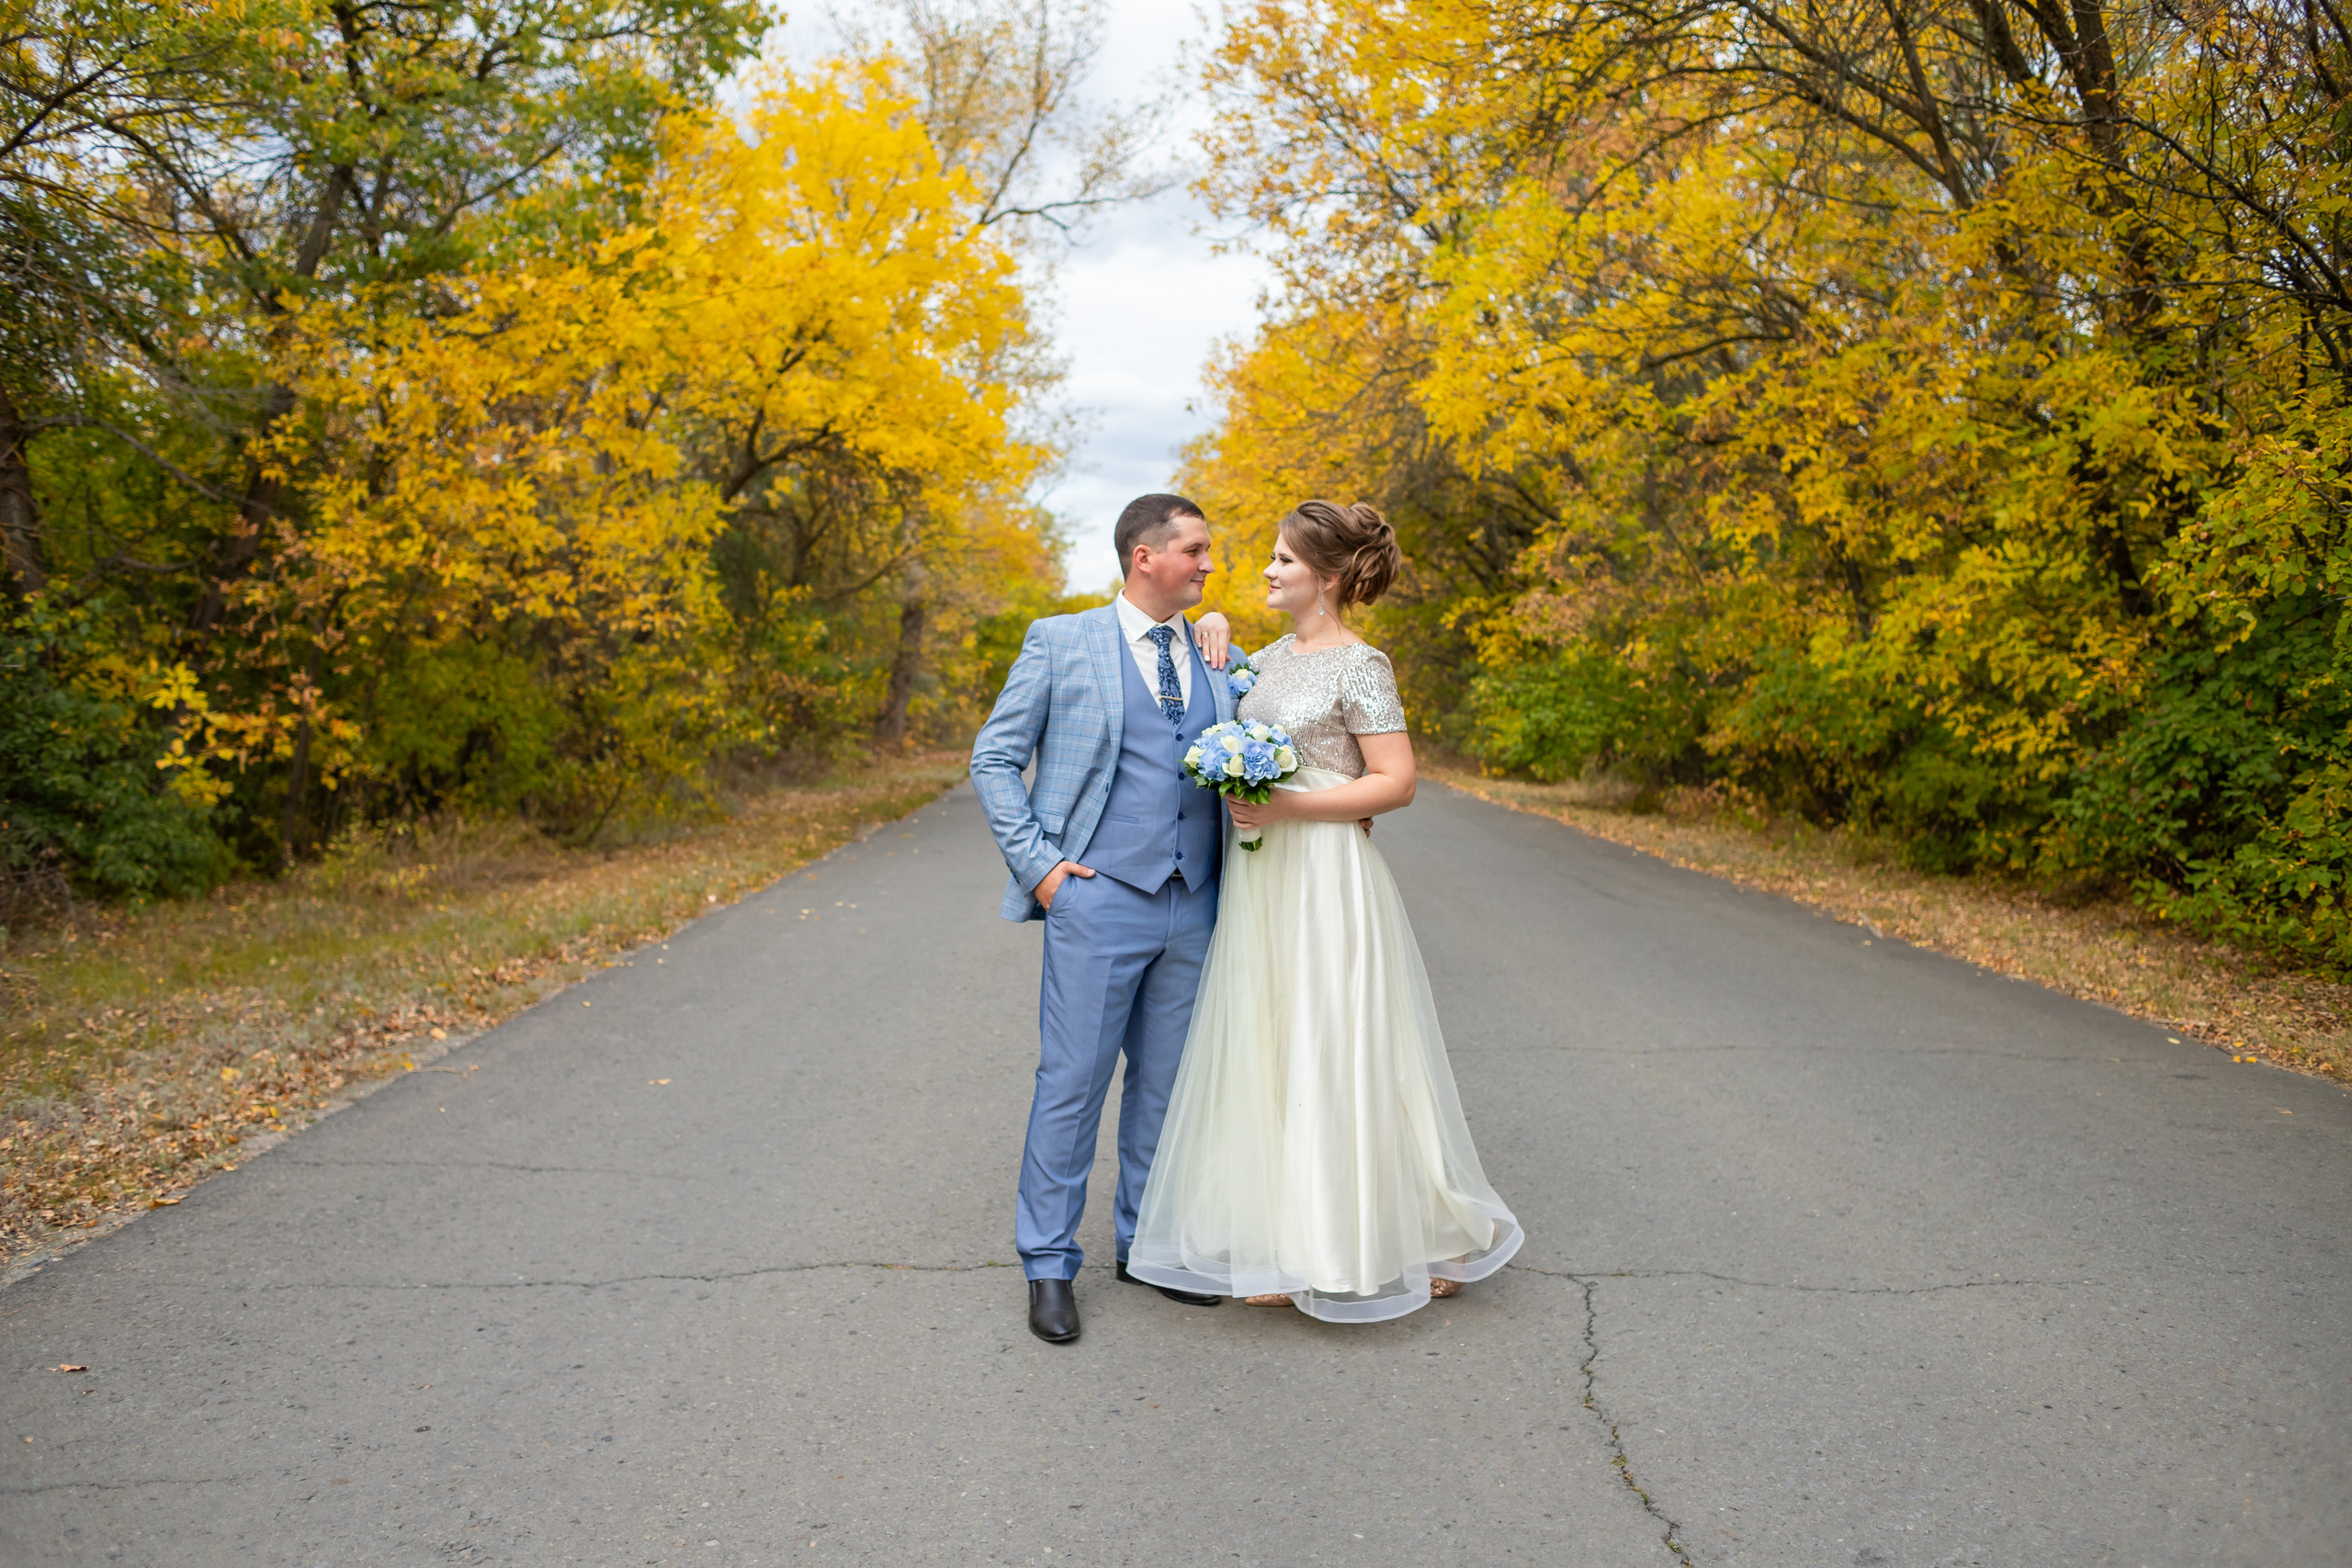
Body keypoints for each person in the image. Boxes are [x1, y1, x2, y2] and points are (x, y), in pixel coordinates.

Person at [1125, 500, 1522, 1321]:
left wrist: (1290, 810)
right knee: (1272, 1042)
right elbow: (1226, 697)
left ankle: (1410, 1228)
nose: (1266, 571)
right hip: (1263, 881)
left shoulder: (1361, 664)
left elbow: (1397, 781)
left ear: (1330, 576)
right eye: (1268, 559)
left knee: (1338, 1041)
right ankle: (1282, 1234)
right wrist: (1219, 626)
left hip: (1329, 876)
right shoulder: (1264, 657)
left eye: (1282, 561)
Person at [969, 493, 1249, 1344]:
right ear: (1144, 557)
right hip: (1096, 902)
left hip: (1193, 904)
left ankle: (1145, 1243)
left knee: (1166, 1090)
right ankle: (1048, 1263)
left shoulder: (1216, 652)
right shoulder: (1063, 641)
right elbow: (994, 756)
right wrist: (1044, 869)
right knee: (1072, 1084)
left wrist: (1228, 633)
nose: (1208, 564)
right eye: (1196, 551)